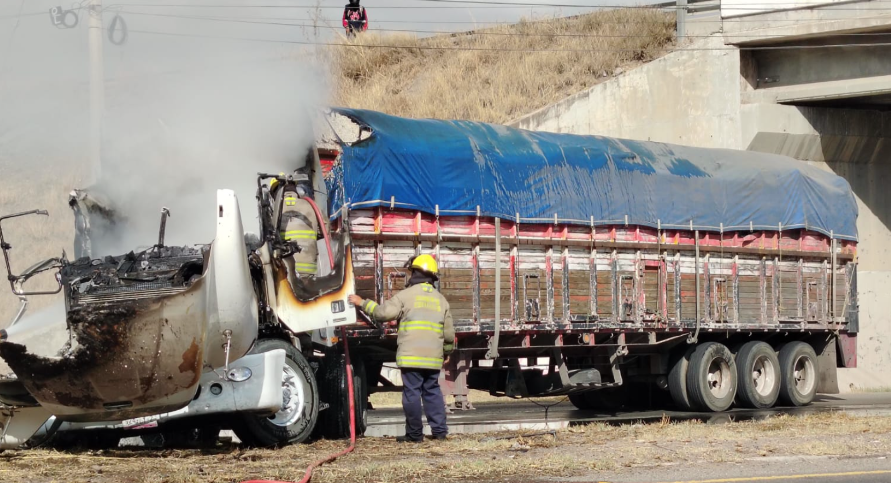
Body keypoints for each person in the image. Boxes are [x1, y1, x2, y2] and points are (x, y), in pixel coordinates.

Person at [348, 254, 454, 443]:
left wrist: (362, 303)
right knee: (432, 392)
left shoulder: (406, 296)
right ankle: (440, 432)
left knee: (412, 393)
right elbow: (448, 334)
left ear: (415, 273)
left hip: (410, 357)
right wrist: (447, 351)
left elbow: (382, 313)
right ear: (432, 276)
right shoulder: (441, 300)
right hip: (433, 358)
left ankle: (414, 435)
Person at [272, 169, 319, 278]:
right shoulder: (311, 205)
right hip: (310, 270)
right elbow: (325, 229)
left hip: (287, 271)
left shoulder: (275, 210)